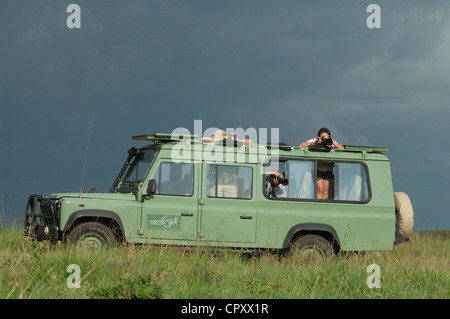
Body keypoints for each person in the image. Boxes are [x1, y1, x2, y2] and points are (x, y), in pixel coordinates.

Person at [300, 128, 343, 200]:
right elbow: (301, 145)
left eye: (326, 137)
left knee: (326, 191)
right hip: (317, 169)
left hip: (328, 170)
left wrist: (332, 142)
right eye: (323, 137)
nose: (325, 139)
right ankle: (318, 204)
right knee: (320, 190)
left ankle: (325, 205)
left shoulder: (331, 142)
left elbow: (342, 149)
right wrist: (315, 142)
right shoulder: (315, 140)